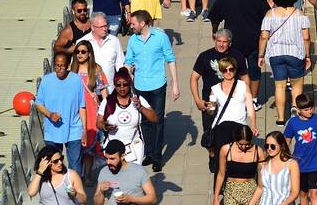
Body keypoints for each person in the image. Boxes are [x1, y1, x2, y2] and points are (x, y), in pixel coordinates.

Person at [124, 9, 179, 171]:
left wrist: (175, 84)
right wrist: (125, 71)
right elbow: (129, 60)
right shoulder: (133, 40)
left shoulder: (161, 37)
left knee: (158, 120)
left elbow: (170, 59)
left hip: (158, 85)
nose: (131, 26)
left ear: (142, 23)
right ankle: (148, 153)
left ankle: (157, 156)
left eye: (133, 23)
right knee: (145, 121)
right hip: (140, 86)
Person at [210, 0, 267, 100]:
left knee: (232, 70)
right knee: (254, 71)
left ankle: (236, 97)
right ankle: (254, 99)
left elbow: (214, 17)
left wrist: (215, 32)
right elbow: (267, 16)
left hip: (233, 42)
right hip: (254, 41)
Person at [258, 0, 311, 125]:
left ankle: (281, 118)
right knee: (297, 84)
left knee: (279, 86)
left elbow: (264, 36)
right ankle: (295, 107)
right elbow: (306, 37)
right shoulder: (300, 15)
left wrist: (260, 55)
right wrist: (307, 56)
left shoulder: (270, 14)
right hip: (295, 54)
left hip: (276, 54)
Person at [191, 29, 248, 154]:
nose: (221, 44)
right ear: (214, 40)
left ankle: (229, 157)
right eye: (218, 41)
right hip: (210, 101)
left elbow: (245, 77)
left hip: (232, 100)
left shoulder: (237, 56)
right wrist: (197, 100)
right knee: (209, 131)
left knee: (233, 132)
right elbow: (194, 78)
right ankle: (213, 155)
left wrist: (247, 98)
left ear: (230, 43)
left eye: (225, 42)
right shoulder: (205, 56)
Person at [34, 52, 88, 174]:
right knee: (53, 163)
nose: (59, 69)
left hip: (74, 129)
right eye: (56, 66)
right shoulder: (47, 81)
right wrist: (50, 114)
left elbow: (82, 107)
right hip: (52, 131)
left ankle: (75, 190)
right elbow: (39, 104)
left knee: (75, 164)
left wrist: (84, 130)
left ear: (68, 65)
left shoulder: (76, 80)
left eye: (62, 66)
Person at [98, 68, 158, 164]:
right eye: (118, 85)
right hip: (113, 148)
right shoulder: (107, 101)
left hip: (134, 147)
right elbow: (99, 123)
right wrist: (105, 126)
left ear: (129, 84)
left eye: (125, 84)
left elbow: (155, 118)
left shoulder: (138, 99)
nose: (122, 88)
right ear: (114, 85)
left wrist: (141, 107)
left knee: (134, 177)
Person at [70, 42, 106, 175]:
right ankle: (77, 175)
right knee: (75, 143)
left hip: (91, 110)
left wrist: (105, 113)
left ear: (89, 53)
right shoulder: (71, 71)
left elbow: (104, 92)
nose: (80, 54)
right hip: (74, 110)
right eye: (77, 52)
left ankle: (88, 174)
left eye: (83, 52)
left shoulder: (96, 69)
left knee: (89, 143)